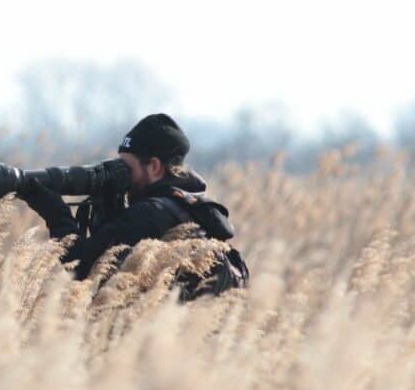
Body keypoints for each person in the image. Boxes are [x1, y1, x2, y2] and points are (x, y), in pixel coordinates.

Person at [16, 113, 249, 298]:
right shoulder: (189, 207)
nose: (124, 178)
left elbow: (79, 266)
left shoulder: (152, 213)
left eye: (128, 168)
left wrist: (55, 212)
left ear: (154, 167)